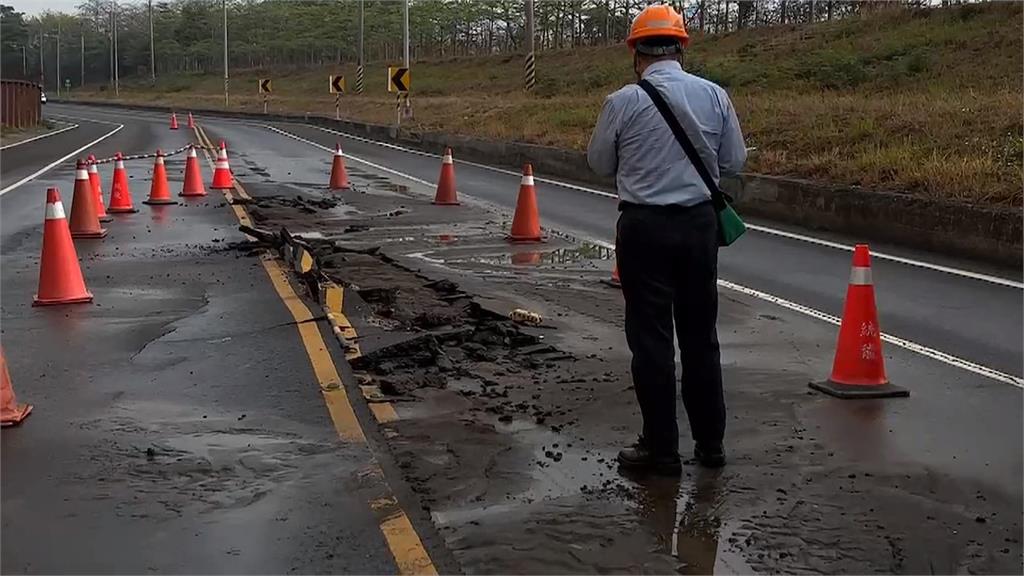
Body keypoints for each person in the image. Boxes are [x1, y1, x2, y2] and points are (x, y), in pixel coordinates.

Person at [587, 4, 747, 473]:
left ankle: (661, 450)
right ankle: (711, 445)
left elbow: (599, 164)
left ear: (636, 52)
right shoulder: (715, 96)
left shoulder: (622, 102)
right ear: (681, 47)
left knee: (652, 339)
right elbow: (734, 162)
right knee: (701, 336)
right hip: (698, 227)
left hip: (644, 229)